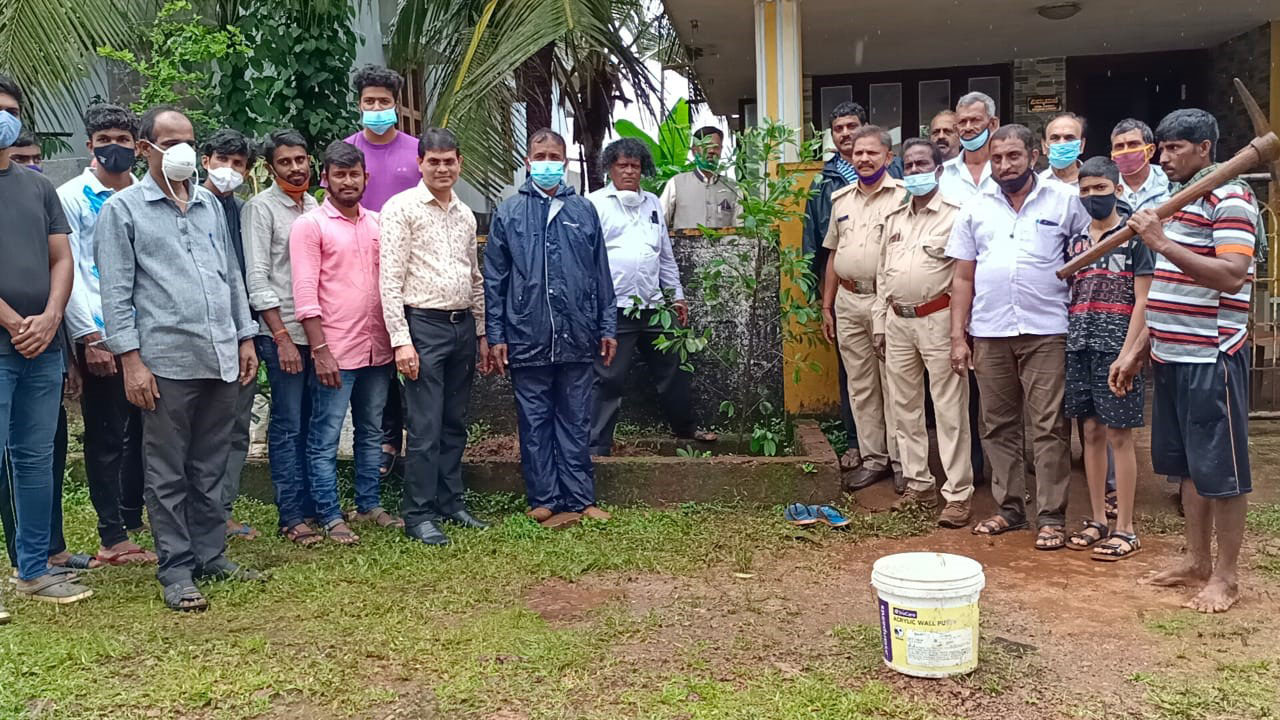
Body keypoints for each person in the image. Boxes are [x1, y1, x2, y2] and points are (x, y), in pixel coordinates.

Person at [96, 105, 262, 612]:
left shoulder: (211, 206)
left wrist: (245, 336)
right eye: (171, 143)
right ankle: (176, 567)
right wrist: (132, 362)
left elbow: (231, 276)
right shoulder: (122, 212)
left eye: (189, 140)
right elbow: (116, 295)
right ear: (145, 149)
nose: (184, 151)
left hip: (221, 354)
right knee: (167, 469)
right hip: (165, 360)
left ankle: (212, 553)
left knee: (211, 462)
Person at [1128, 109, 1259, 613]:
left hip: (1213, 357)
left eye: (1176, 148)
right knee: (1187, 470)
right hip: (1172, 356)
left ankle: (1226, 577)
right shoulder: (1179, 202)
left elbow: (1230, 274)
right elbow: (1163, 286)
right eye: (1162, 149)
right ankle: (1196, 560)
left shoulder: (1232, 199)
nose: (1165, 158)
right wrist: (1141, 347)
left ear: (1205, 148)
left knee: (1221, 472)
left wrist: (1158, 240)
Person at [946, 124, 1089, 550]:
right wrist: (959, 336)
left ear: (1033, 156)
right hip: (989, 332)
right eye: (997, 158)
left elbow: (1085, 259)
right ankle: (1009, 509)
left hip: (1048, 330)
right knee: (997, 425)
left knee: (1049, 426)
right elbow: (962, 276)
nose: (1005, 166)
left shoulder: (1065, 202)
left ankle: (1050, 516)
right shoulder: (975, 207)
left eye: (1013, 156)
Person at [484, 128, 617, 528]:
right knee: (534, 419)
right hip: (527, 334)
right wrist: (496, 335)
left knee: (576, 418)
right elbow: (495, 279)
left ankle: (580, 498)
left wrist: (606, 326)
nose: (546, 162)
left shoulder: (584, 211)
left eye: (553, 156)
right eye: (539, 156)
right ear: (528, 162)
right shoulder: (509, 212)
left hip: (578, 333)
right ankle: (544, 497)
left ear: (565, 162)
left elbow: (601, 275)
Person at [0, 74, 88, 607]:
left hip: (42, 346)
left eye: (8, 109)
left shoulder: (37, 186)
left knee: (34, 457)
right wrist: (13, 321)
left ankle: (33, 569)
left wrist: (52, 315)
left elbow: (61, 256)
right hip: (7, 341)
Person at [379, 128, 491, 546]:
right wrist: (401, 340)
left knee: (454, 422)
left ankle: (451, 501)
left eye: (450, 161)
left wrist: (480, 331)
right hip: (422, 326)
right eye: (434, 161)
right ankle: (419, 513)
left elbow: (474, 275)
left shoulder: (464, 213)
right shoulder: (401, 209)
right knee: (424, 427)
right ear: (420, 163)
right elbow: (389, 280)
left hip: (461, 326)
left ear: (459, 163)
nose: (442, 168)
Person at [57, 103, 157, 565]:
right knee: (106, 434)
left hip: (150, 331)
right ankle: (111, 535)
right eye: (104, 141)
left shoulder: (146, 193)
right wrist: (89, 337)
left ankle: (135, 516)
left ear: (137, 147)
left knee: (145, 431)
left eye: (122, 139)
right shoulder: (72, 197)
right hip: (100, 330)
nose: (113, 149)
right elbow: (71, 268)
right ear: (89, 146)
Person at [290, 141, 391, 547]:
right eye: (339, 175)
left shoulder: (379, 223)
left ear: (366, 178)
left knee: (371, 431)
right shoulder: (310, 226)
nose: (348, 182)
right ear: (325, 179)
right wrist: (320, 350)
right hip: (336, 350)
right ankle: (330, 514)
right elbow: (304, 292)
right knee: (326, 435)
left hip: (377, 349)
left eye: (354, 174)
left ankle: (368, 504)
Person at [588, 138, 716, 457]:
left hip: (655, 306)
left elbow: (665, 256)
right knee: (609, 377)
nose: (630, 171)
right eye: (623, 166)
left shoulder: (653, 204)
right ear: (610, 169)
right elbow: (586, 258)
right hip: (615, 309)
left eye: (635, 166)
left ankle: (685, 428)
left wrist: (677, 296)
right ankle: (597, 444)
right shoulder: (594, 204)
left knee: (674, 367)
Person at [876, 138, 972, 526]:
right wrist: (881, 324)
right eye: (909, 166)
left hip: (939, 318)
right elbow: (884, 275)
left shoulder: (955, 216)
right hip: (897, 321)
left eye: (922, 165)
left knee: (949, 410)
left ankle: (958, 494)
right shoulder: (895, 219)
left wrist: (959, 334)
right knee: (904, 408)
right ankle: (918, 484)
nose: (915, 171)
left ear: (938, 170)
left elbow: (965, 277)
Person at [1062, 157, 1153, 560]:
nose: (1092, 196)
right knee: (1091, 434)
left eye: (1100, 188)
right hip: (1079, 343)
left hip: (1116, 346)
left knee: (1119, 435)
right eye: (1085, 190)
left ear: (1117, 189)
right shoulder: (1076, 239)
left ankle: (1126, 527)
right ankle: (1098, 517)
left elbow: (1144, 299)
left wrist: (1130, 352)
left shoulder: (1135, 235)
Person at [244, 129, 329, 539]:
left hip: (317, 334)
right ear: (269, 167)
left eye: (301, 159)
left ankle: (315, 505)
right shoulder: (260, 209)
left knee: (315, 421)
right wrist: (279, 337)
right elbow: (258, 277)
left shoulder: (314, 205)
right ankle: (291, 514)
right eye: (285, 162)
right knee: (289, 423)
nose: (296, 168)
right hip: (283, 335)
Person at [343, 65, 421, 483]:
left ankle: (421, 435)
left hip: (416, 270)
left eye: (384, 102)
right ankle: (386, 439)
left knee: (416, 350)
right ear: (359, 105)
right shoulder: (347, 151)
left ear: (396, 106)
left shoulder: (417, 151)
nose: (376, 108)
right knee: (378, 356)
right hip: (363, 269)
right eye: (369, 102)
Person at [820, 125, 905, 492]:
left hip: (886, 302)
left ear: (888, 157)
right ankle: (874, 459)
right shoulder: (841, 200)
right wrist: (827, 305)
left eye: (872, 153)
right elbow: (833, 253)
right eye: (858, 153)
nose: (864, 159)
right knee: (861, 384)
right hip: (848, 301)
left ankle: (905, 463)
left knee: (896, 384)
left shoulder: (902, 197)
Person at [199, 128, 260, 540]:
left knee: (235, 426)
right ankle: (191, 511)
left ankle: (222, 510)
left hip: (240, 334)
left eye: (238, 164)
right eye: (223, 160)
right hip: (195, 336)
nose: (229, 170)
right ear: (205, 160)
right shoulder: (186, 205)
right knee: (196, 429)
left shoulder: (243, 212)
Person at [802, 101, 868, 472]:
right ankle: (857, 443)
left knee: (894, 376)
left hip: (886, 293)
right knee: (852, 376)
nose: (845, 133)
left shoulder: (892, 173)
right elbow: (812, 245)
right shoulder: (822, 182)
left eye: (852, 126)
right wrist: (820, 301)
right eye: (839, 128)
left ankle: (892, 450)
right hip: (843, 294)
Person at [659, 125, 739, 230]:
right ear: (694, 151)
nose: (711, 151)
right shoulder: (676, 184)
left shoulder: (733, 188)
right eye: (706, 146)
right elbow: (659, 224)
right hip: (684, 246)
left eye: (716, 147)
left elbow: (741, 231)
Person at [939, 92, 1000, 205]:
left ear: (993, 124)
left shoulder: (1006, 169)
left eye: (975, 120)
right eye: (962, 122)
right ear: (956, 129)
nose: (968, 128)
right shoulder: (942, 173)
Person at [1111, 118, 1170, 213]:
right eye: (1119, 146)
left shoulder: (1169, 181)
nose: (1125, 151)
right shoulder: (1105, 185)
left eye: (1133, 144)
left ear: (1150, 151)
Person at [1039, 112, 1086, 187]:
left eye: (1069, 138)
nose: (1062, 143)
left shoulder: (1096, 183)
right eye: (1055, 138)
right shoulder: (1036, 185)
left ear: (1081, 145)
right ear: (1044, 146)